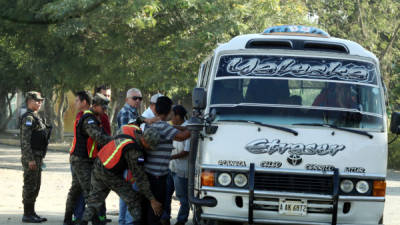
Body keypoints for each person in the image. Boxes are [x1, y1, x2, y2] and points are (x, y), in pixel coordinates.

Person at [78, 125, 163, 225]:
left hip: (99, 164)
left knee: (94, 201)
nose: (150, 149)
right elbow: (140, 178)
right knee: (133, 199)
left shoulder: (134, 131)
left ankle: (82, 222)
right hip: (109, 173)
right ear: (144, 141)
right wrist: (152, 200)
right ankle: (136, 222)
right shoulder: (134, 151)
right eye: (150, 146)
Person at [63, 93, 113, 225]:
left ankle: (67, 220)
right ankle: (95, 221)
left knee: (75, 190)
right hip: (81, 160)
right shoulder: (89, 119)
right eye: (103, 107)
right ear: (95, 106)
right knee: (90, 192)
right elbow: (99, 137)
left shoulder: (94, 117)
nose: (105, 110)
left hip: (83, 159)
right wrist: (116, 141)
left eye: (106, 108)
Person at [142, 96, 191, 225]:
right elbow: (182, 136)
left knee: (149, 211)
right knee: (156, 212)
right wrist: (195, 125)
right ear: (169, 111)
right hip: (157, 177)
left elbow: (177, 129)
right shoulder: (163, 127)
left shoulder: (152, 124)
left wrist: (184, 127)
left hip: (149, 174)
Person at [20, 91, 51, 223]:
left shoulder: (36, 117)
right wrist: (30, 159)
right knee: (30, 185)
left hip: (38, 156)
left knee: (36, 185)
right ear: (29, 101)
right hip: (32, 156)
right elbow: (25, 141)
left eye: (40, 101)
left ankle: (32, 212)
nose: (39, 103)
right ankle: (27, 214)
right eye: (36, 100)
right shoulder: (29, 118)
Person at [161, 105, 191, 225]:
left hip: (182, 169)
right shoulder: (174, 127)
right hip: (171, 167)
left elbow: (186, 151)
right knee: (166, 195)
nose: (170, 117)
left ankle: (181, 220)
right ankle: (165, 218)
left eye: (172, 115)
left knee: (183, 198)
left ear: (178, 116)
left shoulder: (189, 128)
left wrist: (170, 157)